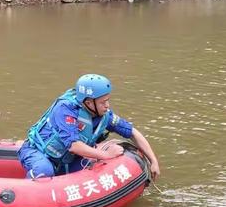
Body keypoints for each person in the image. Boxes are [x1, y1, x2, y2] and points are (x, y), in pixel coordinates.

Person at [18, 73, 160, 180]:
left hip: (67, 161)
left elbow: (133, 133)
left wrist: (153, 161)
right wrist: (105, 154)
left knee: (98, 168)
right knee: (44, 171)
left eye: (108, 101)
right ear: (89, 102)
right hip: (37, 151)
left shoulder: (105, 116)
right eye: (103, 102)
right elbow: (74, 146)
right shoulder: (65, 109)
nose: (107, 106)